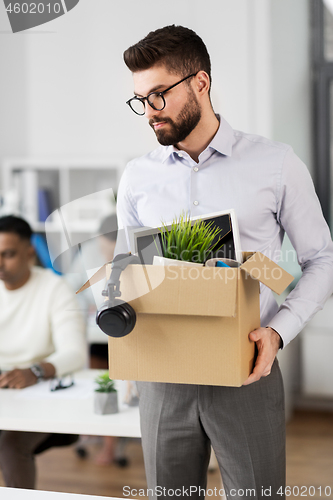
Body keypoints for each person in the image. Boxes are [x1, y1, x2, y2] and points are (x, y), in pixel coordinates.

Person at [116, 25, 333, 500]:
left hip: (247, 367)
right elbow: (126, 266)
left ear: (200, 83)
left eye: (159, 95)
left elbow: (322, 259)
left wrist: (279, 332)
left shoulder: (276, 164)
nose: (150, 113)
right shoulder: (137, 177)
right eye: (140, 100)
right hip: (162, 375)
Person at [0, 215, 86, 489]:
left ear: (29, 252)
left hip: (40, 392)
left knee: (10, 445)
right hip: (4, 391)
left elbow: (75, 353)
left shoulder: (55, 289)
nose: (0, 263)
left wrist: (35, 371)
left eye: (8, 254)